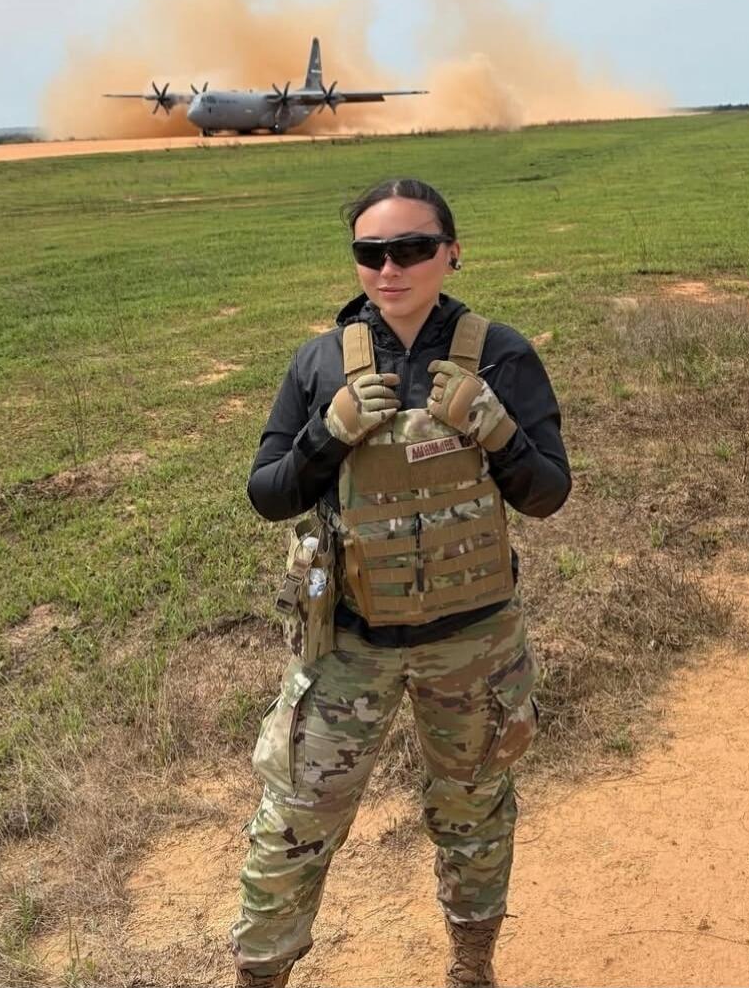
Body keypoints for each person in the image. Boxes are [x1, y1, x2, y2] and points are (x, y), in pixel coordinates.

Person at [230, 177, 571, 988]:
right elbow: (267, 492)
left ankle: (471, 968)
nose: (391, 267)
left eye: (413, 247)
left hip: (471, 643)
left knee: (474, 810)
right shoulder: (319, 361)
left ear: (451, 252)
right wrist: (328, 433)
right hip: (350, 644)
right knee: (295, 820)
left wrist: (495, 427)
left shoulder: (501, 354)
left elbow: (547, 493)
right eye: (370, 251)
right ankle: (259, 974)